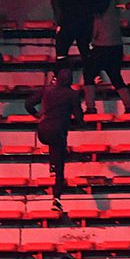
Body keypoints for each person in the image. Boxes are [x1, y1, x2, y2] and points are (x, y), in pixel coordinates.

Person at [24, 64, 85, 213]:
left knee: (54, 145)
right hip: (58, 131)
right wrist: (74, 121)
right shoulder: (72, 94)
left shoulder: (46, 90)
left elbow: (28, 104)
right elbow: (79, 118)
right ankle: (56, 199)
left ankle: (51, 166)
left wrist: (37, 115)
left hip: (43, 129)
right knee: (60, 166)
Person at [83, 0, 130, 114]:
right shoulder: (113, 0)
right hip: (116, 45)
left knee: (88, 75)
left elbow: (95, 27)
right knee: (115, 76)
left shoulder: (98, 4)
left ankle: (90, 107)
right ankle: (129, 106)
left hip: (102, 45)